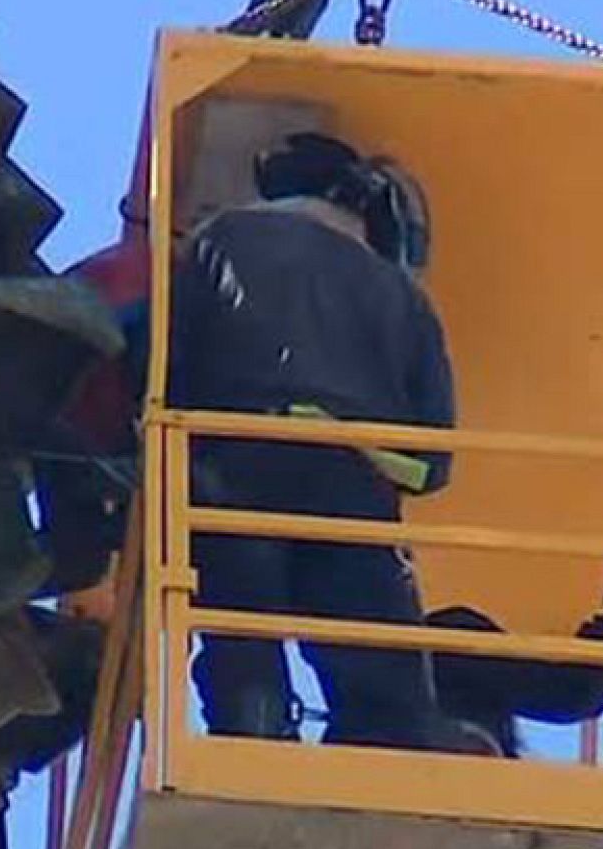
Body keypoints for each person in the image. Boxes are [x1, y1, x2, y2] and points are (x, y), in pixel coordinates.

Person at [167, 132, 474, 752]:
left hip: (233, 464)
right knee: (376, 664)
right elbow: (433, 459)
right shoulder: (402, 298)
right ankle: (389, 755)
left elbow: (166, 363)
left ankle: (253, 744)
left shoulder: (219, 242)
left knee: (240, 632)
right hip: (348, 485)